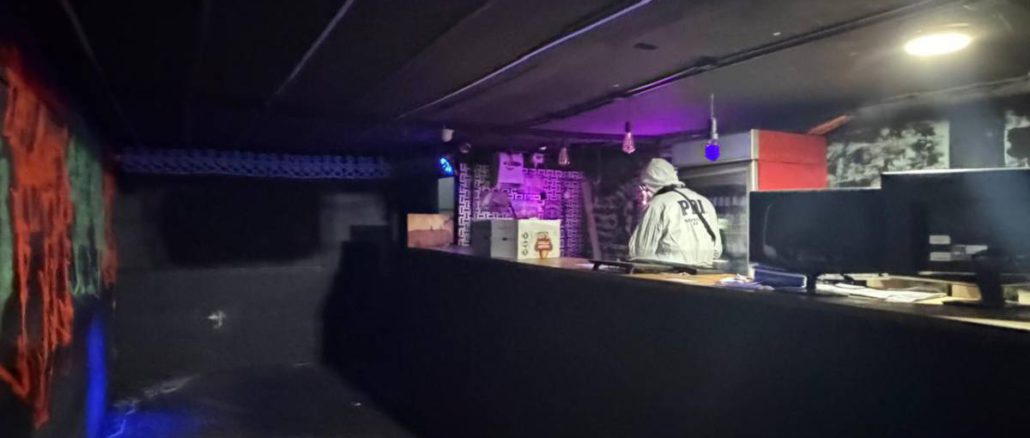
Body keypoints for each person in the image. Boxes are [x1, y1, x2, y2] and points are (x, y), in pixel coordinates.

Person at [628, 158, 723, 267]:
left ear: (649, 184)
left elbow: (640, 253)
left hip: (671, 274)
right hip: (703, 274)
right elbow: (717, 250)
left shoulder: (658, 204)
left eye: (644, 187)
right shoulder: (705, 202)